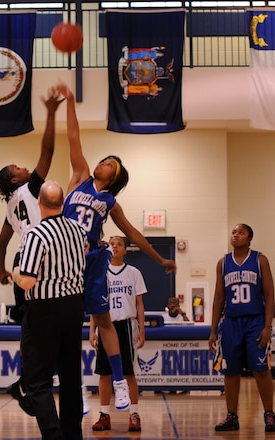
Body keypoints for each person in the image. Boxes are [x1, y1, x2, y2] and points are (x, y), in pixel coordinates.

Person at [57, 83, 177, 413]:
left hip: (93, 257)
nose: (103, 161)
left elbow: (135, 235)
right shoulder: (79, 175)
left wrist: (160, 259)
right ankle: (77, 386)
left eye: (110, 162)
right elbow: (73, 136)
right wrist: (69, 101)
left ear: (114, 176)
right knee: (63, 325)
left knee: (103, 320)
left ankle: (121, 383)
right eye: (104, 158)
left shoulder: (110, 201)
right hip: (64, 258)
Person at [12, 181, 87, 440]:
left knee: (37, 382)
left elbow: (28, 280)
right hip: (74, 308)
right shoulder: (78, 230)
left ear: (39, 204)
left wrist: (15, 273)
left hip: (44, 310)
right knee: (70, 379)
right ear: (63, 202)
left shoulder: (36, 234)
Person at [0, 88, 63, 324]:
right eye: (19, 168)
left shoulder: (10, 207)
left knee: (27, 319)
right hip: (42, 258)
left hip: (21, 260)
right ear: (16, 180)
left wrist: (1, 271)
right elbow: (48, 151)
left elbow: (1, 245)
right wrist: (52, 114)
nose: (25, 168)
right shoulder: (33, 187)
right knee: (49, 313)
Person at [208, 223, 275, 433]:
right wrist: (212, 330)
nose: (236, 235)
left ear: (249, 238)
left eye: (241, 232)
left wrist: (267, 326)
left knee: (261, 370)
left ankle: (269, 414)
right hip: (230, 323)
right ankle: (232, 416)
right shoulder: (223, 263)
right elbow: (219, 297)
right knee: (230, 372)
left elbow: (269, 295)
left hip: (255, 322)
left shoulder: (259, 260)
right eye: (234, 232)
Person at [90, 236, 147, 433]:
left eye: (119, 244)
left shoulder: (134, 273)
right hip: (105, 325)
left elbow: (140, 304)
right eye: (111, 244)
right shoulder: (100, 273)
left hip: (127, 326)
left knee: (128, 373)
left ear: (125, 250)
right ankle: (104, 415)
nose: (114, 246)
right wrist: (92, 331)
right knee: (104, 374)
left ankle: (134, 413)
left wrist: (141, 329)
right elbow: (94, 303)